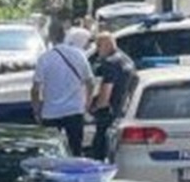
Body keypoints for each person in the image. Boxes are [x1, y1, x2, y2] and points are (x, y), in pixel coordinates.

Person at [32, 27, 94, 155]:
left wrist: (37, 111)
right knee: (76, 149)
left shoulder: (45, 58)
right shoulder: (79, 55)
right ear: (65, 36)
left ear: (49, 38)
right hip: (74, 110)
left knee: (50, 152)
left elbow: (35, 89)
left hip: (51, 112)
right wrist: (87, 104)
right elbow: (90, 82)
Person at [89, 32, 135, 160]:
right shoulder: (128, 60)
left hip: (108, 113)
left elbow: (106, 92)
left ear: (107, 45)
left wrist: (94, 107)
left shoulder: (110, 63)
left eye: (99, 46)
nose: (97, 50)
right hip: (123, 110)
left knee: (99, 149)